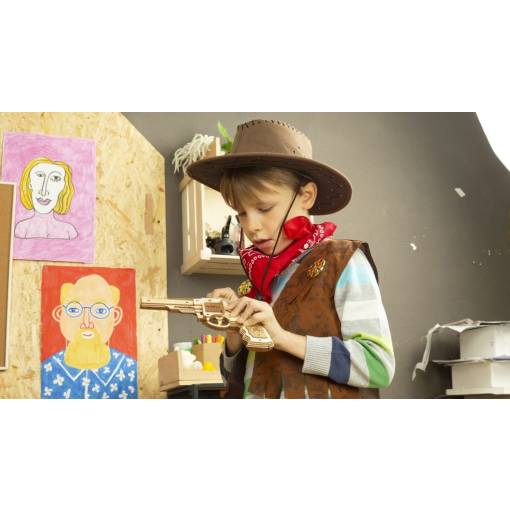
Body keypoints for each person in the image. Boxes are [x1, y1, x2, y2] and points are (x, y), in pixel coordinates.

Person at [187, 119, 395, 398]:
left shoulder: (344, 262)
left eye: (264, 208)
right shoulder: (256, 282)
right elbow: (241, 381)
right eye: (242, 213)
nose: (252, 226)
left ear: (306, 196)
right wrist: (234, 334)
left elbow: (379, 366)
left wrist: (282, 338)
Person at [41, 274, 137, 399]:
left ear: (115, 316)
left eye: (100, 311)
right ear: (59, 314)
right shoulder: (49, 368)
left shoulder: (127, 368)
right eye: (74, 310)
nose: (86, 322)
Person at [15, 156, 78, 240]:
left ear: (63, 187)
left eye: (55, 178)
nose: (43, 191)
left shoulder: (69, 231)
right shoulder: (21, 229)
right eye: (40, 175)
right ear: (29, 183)